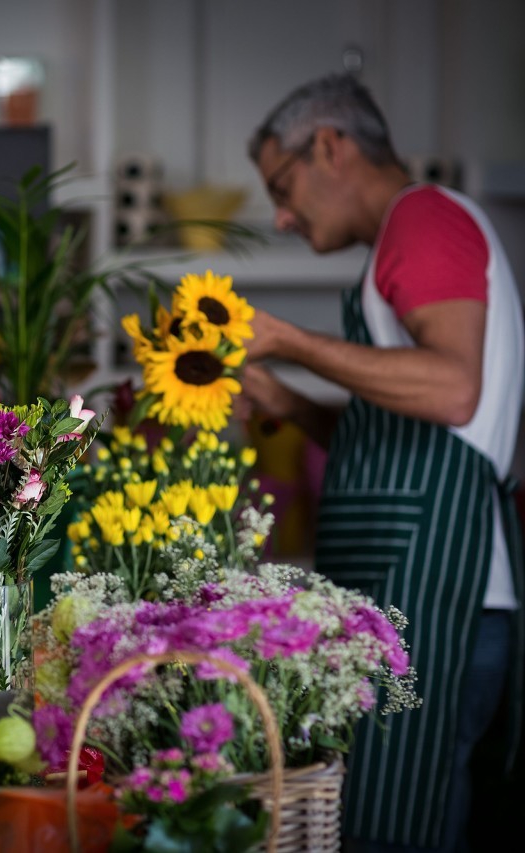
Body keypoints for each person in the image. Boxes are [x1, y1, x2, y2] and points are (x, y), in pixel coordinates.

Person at [240, 72, 524, 851]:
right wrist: (288, 403)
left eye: (283, 185)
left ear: (330, 146)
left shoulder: (424, 218)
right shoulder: (405, 237)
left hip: (443, 594)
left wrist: (291, 340)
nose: (281, 214)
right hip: (422, 592)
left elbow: (452, 389)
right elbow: (399, 428)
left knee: (399, 828)